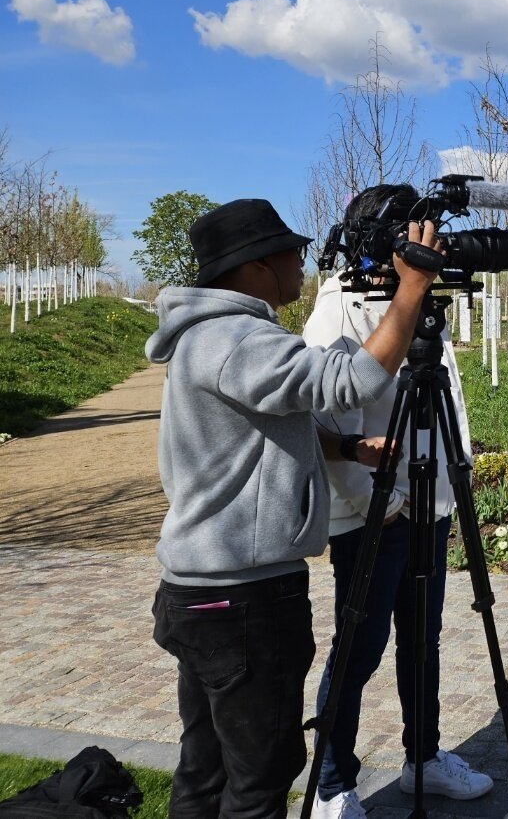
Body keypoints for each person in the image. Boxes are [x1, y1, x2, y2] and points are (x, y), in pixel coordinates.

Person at [146, 199, 443, 817]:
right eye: (292, 254)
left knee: (206, 770)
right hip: (244, 600)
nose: (302, 266)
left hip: (203, 590)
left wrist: (346, 447)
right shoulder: (238, 340)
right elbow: (354, 379)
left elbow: (268, 424)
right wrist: (411, 288)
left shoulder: (207, 339)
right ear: (257, 267)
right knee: (259, 781)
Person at [302, 186, 493, 818]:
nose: (431, 244)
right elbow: (325, 415)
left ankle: (423, 758)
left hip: (427, 503)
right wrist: (373, 500)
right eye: (420, 233)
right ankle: (331, 785)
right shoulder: (340, 306)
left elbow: (446, 397)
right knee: (359, 645)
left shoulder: (416, 300)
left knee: (423, 638)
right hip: (372, 509)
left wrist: (450, 483)